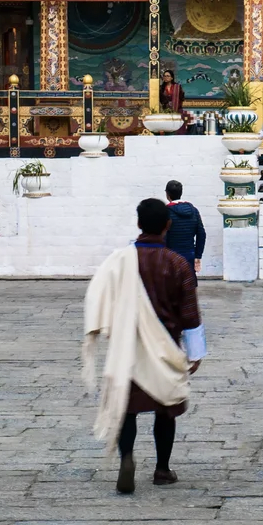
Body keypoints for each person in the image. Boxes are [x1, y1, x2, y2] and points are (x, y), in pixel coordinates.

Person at [81, 197, 204, 495]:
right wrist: (196, 351)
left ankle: (127, 459)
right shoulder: (177, 264)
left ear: (138, 224)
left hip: (128, 345)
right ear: (167, 226)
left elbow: (101, 296)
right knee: (166, 409)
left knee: (128, 408)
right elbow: (189, 313)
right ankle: (162, 469)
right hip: (165, 347)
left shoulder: (119, 261)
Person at [163, 180, 206, 282]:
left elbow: (163, 237)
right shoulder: (193, 211)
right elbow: (201, 234)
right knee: (188, 288)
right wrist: (197, 255)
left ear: (167, 194)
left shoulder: (165, 212)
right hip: (189, 255)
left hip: (171, 257)